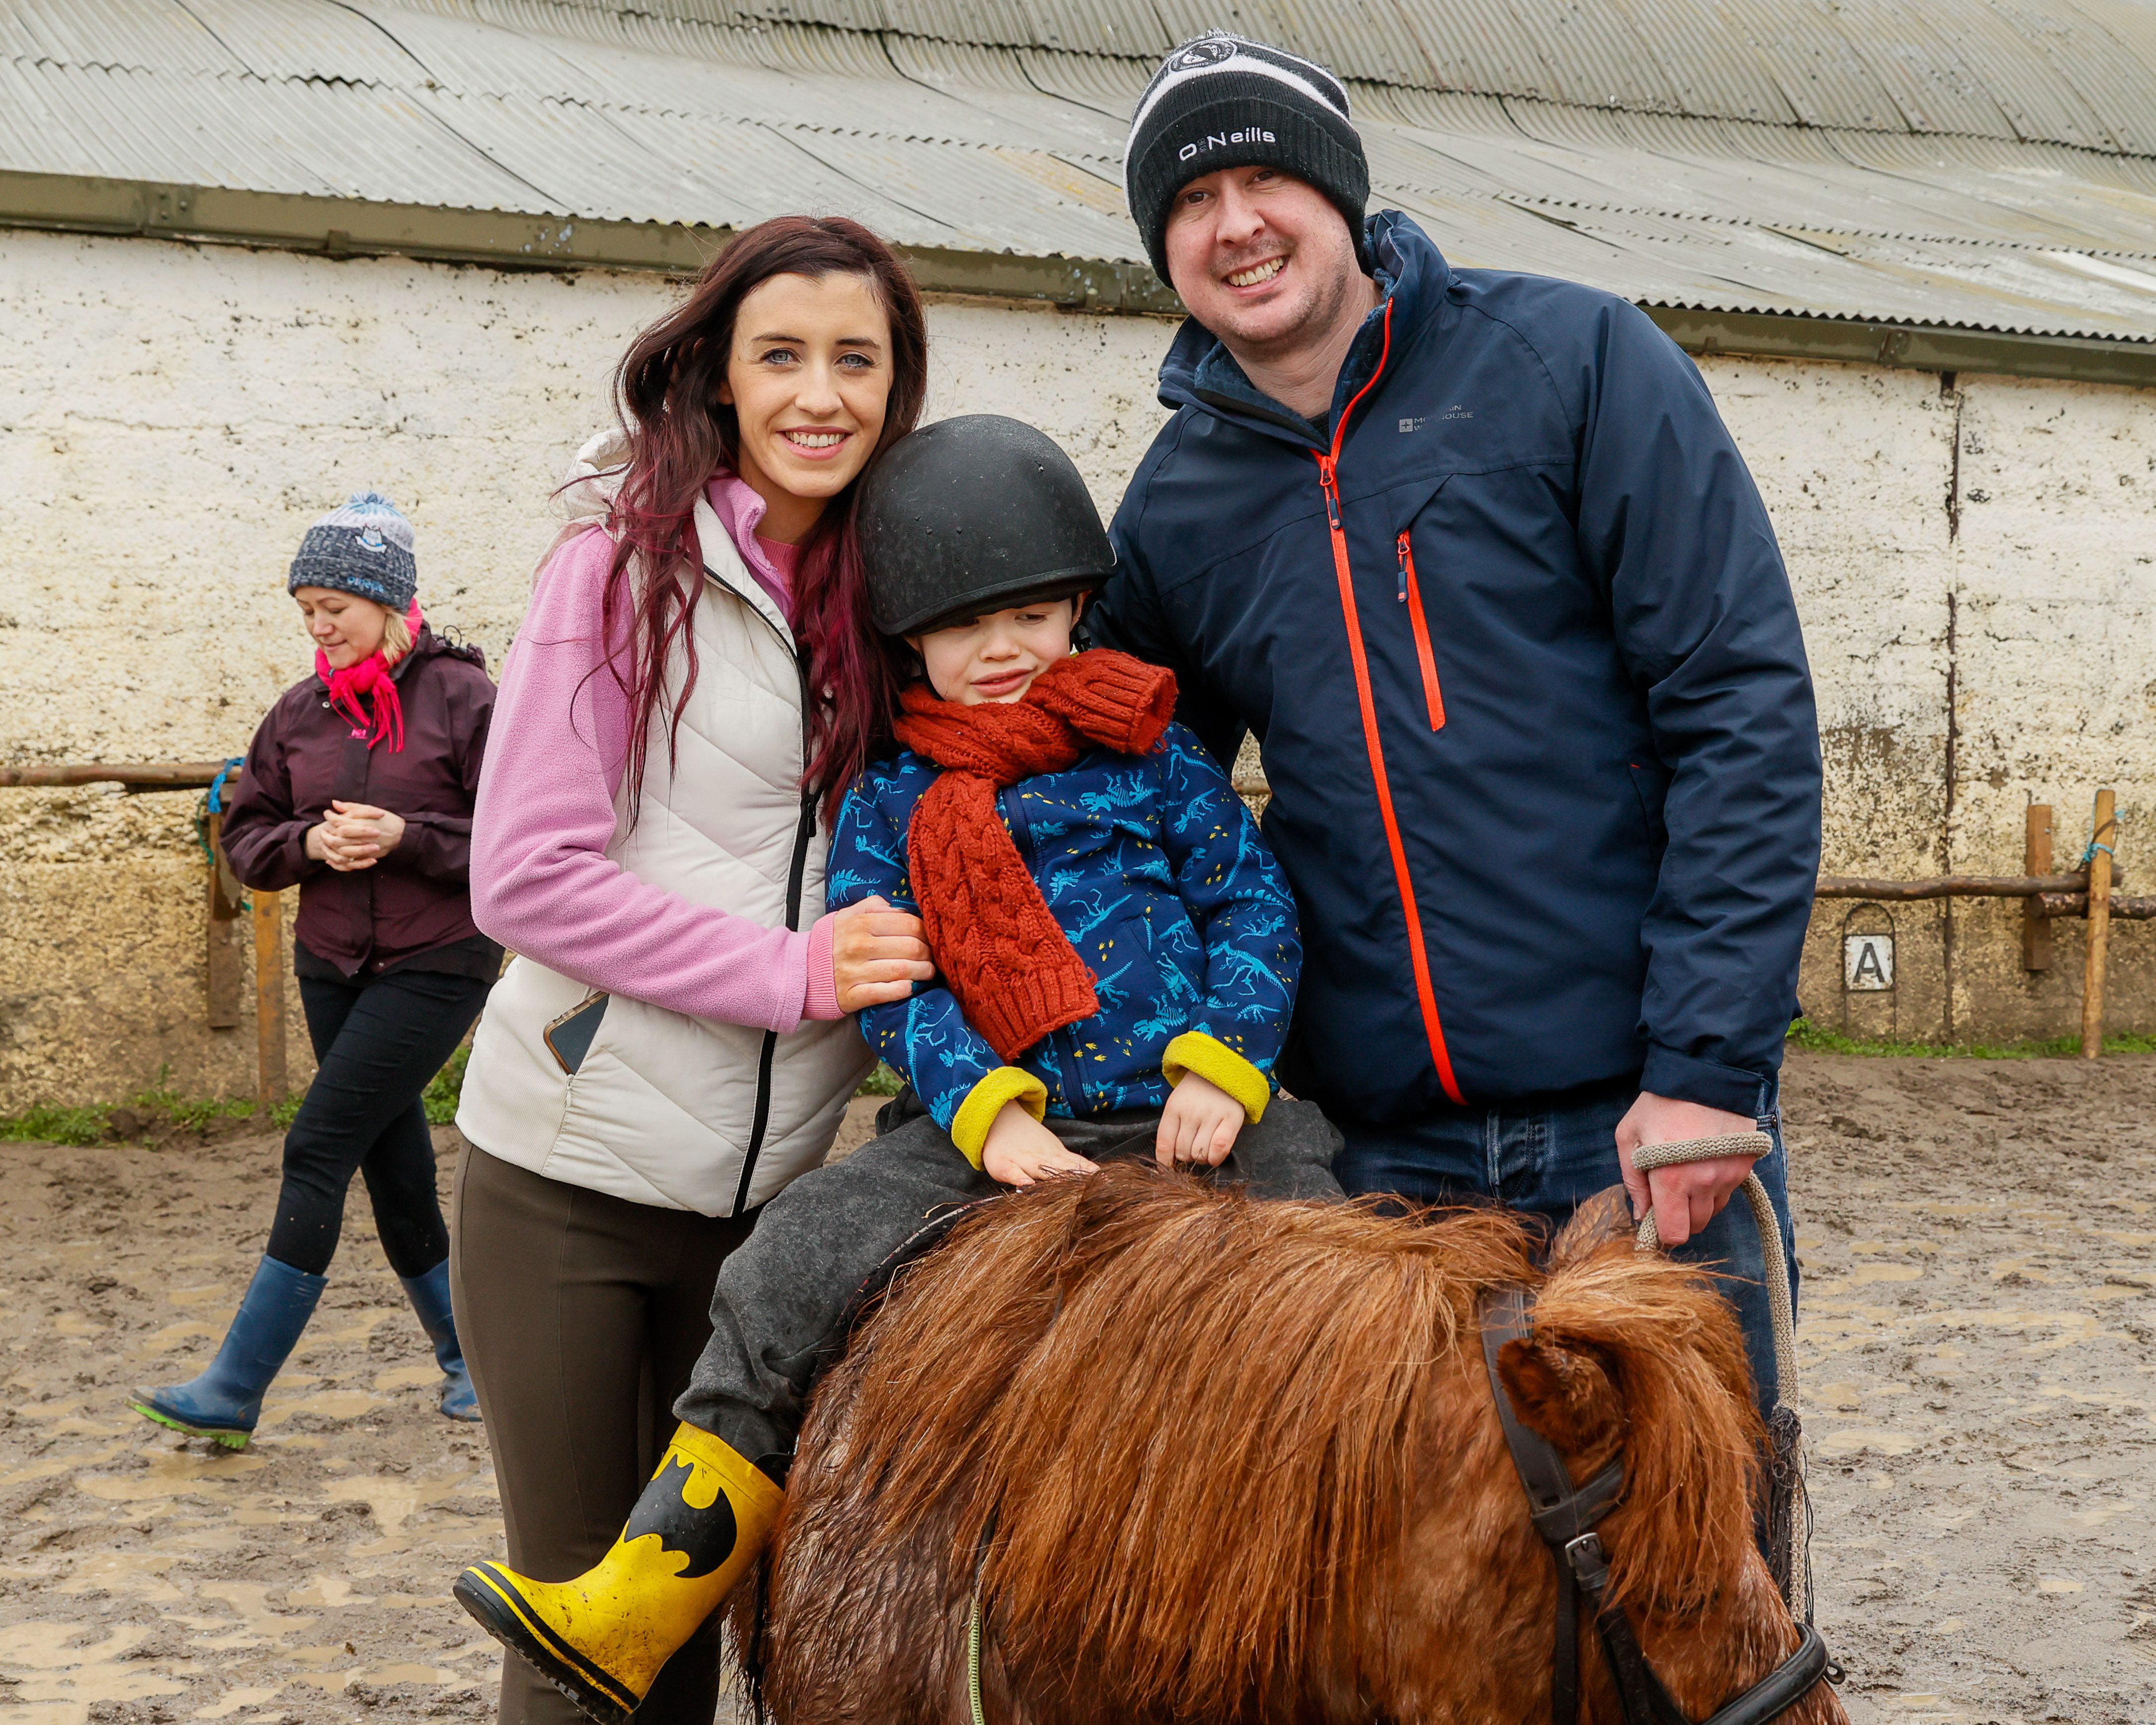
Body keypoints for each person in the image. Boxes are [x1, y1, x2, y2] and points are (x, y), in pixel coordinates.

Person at [452, 414, 1341, 1725]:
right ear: (906, 640)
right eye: (966, 625)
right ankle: (644, 1581)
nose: (1003, 649)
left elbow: (1251, 906)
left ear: (1081, 607)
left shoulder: (1154, 753)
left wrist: (1227, 1066)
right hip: (1000, 1116)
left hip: (1184, 1101)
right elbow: (899, 988)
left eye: (1035, 614)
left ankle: (1341, 1558)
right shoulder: (886, 800)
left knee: (1334, 1240)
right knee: (798, 1248)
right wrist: (984, 1107)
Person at [1095, 33, 1823, 1417]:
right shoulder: (1176, 507)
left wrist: (1707, 1068)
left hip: (1639, 1124)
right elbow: (1120, 806)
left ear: (1341, 195)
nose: (1235, 223)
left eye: (1264, 179)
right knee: (1402, 1599)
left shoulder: (1573, 364)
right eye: (1189, 201)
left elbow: (1738, 705)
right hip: (1378, 1161)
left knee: (1703, 1562)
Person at [447, 215, 936, 1725]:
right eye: (780, 354)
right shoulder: (617, 570)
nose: (819, 394)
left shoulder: (897, 601)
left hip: (775, 1210)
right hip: (571, 1189)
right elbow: (523, 875)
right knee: (593, 1639)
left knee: (703, 1634)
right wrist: (791, 971)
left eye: (855, 359)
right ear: (719, 377)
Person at [130, 491, 497, 1447]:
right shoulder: (296, 714)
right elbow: (246, 840)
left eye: (335, 603)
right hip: (330, 962)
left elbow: (515, 840)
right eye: (306, 608)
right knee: (393, 1159)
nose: (319, 624)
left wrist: (406, 837)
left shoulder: (466, 699)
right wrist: (310, 848)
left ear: (389, 602)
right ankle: (468, 1364)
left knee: (318, 1147)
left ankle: (236, 1388)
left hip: (438, 961)